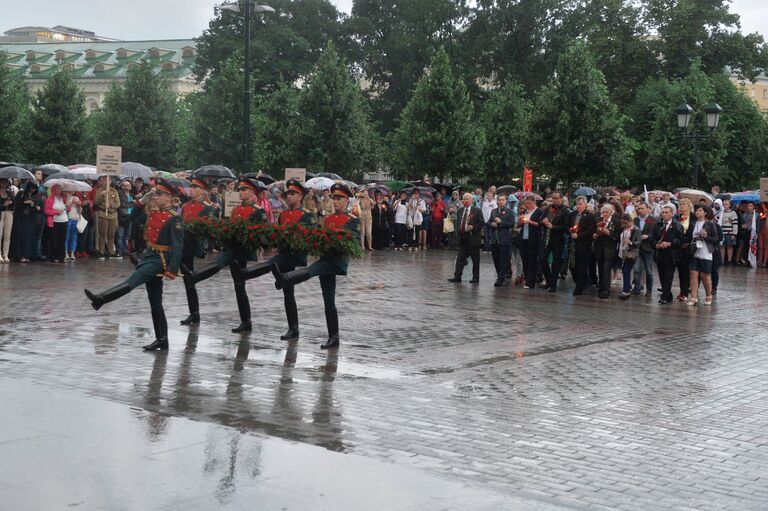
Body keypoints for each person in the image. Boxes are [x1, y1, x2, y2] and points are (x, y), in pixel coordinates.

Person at [84, 179, 184, 351]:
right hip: (149, 255)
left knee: (133, 280)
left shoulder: (174, 219)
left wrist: (172, 269)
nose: (155, 197)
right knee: (155, 302)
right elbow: (133, 218)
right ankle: (162, 339)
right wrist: (141, 202)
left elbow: (178, 245)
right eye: (155, 194)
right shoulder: (153, 212)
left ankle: (102, 299)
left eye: (159, 194)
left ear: (168, 197)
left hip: (160, 260)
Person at [271, 183, 360, 350]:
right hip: (326, 258)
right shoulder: (328, 219)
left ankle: (285, 279)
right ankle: (334, 337)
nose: (336, 202)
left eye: (339, 198)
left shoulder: (353, 220)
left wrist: (335, 243)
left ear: (347, 200)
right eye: (334, 198)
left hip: (337, 262)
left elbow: (353, 241)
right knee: (328, 300)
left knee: (312, 270)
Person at [182, 177, 267, 333]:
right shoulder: (236, 210)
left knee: (227, 271)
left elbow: (261, 234)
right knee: (239, 285)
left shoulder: (257, 211)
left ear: (251, 192)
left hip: (242, 250)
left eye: (243, 190)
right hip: (232, 247)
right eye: (239, 190)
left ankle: (196, 276)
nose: (240, 192)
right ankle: (246, 321)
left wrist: (248, 236)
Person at [236, 179, 315, 340]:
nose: (289, 197)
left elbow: (310, 237)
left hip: (295, 255)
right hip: (284, 253)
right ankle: (293, 328)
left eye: (293, 194)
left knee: (271, 264)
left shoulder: (307, 215)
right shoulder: (284, 213)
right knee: (288, 292)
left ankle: (245, 274)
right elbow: (278, 232)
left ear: (300, 196)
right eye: (288, 194)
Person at [177, 177, 216, 326]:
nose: (191, 190)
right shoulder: (185, 206)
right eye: (191, 187)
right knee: (188, 280)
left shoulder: (207, 208)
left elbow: (210, 229)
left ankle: (194, 313)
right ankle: (194, 313)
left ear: (201, 191)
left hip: (192, 246)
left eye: (194, 188)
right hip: (182, 244)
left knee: (189, 279)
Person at [448, 193, 483, 284]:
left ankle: (475, 277)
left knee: (475, 259)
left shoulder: (477, 210)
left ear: (471, 200)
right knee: (460, 258)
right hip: (463, 238)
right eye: (464, 199)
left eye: (467, 199)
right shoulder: (460, 210)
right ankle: (457, 276)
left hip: (473, 237)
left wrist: (473, 227)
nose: (465, 201)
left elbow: (481, 223)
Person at [686, 205, 718, 306]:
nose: (698, 212)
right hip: (694, 251)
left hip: (705, 252)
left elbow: (715, 239)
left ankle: (708, 295)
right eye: (696, 210)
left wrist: (706, 236)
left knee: (705, 275)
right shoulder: (693, 223)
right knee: (693, 274)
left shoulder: (710, 224)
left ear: (705, 212)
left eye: (700, 210)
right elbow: (688, 236)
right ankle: (694, 297)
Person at [653, 206, 684, 304]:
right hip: (660, 254)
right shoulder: (657, 224)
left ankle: (665, 296)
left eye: (666, 212)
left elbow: (680, 240)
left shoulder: (677, 225)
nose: (664, 214)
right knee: (661, 275)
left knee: (668, 276)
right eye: (663, 212)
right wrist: (655, 244)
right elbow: (652, 237)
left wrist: (670, 243)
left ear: (672, 214)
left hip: (671, 254)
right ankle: (668, 294)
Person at [541, 191, 570, 292]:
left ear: (561, 199)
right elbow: (541, 219)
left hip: (558, 239)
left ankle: (553, 284)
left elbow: (566, 227)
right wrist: (543, 221)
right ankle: (549, 280)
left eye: (556, 198)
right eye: (553, 198)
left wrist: (553, 227)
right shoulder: (548, 208)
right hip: (547, 238)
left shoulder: (565, 211)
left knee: (556, 262)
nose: (554, 200)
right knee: (542, 259)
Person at [569, 196, 597, 296]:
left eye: (580, 204)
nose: (578, 206)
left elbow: (591, 231)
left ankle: (579, 287)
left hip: (584, 244)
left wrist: (579, 235)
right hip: (573, 244)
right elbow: (569, 225)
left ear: (585, 204)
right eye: (577, 204)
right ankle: (582, 281)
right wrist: (571, 231)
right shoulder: (573, 214)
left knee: (582, 266)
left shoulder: (589, 216)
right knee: (573, 266)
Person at [592, 204, 621, 299]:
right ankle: (601, 286)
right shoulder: (598, 221)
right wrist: (595, 235)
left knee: (606, 269)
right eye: (603, 212)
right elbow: (594, 231)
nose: (604, 214)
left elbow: (617, 236)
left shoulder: (616, 222)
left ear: (611, 212)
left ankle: (606, 290)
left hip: (609, 249)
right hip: (599, 248)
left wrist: (609, 233)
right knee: (600, 268)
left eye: (606, 212)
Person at [488, 194, 514, 286]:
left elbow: (511, 224)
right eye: (499, 200)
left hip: (504, 239)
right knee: (496, 259)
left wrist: (501, 222)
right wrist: (492, 224)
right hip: (494, 239)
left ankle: (500, 278)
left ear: (506, 201)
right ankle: (500, 275)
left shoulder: (509, 212)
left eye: (503, 200)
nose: (501, 201)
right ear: (497, 201)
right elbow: (488, 221)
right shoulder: (494, 211)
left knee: (503, 260)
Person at [631, 202, 656, 296]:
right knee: (637, 269)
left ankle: (649, 289)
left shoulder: (652, 219)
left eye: (642, 208)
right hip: (637, 247)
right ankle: (637, 287)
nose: (639, 210)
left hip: (648, 248)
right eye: (638, 208)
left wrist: (648, 236)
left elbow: (655, 233)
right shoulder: (635, 220)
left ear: (647, 209)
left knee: (649, 270)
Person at [519, 197, 543, 289]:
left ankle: (531, 281)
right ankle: (527, 279)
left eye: (529, 203)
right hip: (524, 238)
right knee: (524, 259)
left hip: (533, 239)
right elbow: (520, 224)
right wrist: (521, 221)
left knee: (531, 260)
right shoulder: (525, 212)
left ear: (534, 202)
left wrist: (529, 221)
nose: (527, 206)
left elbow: (540, 224)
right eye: (526, 204)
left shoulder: (538, 212)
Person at [618, 213, 642, 300]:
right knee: (624, 271)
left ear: (630, 221)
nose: (625, 225)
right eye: (623, 223)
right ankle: (628, 287)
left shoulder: (636, 229)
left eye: (626, 223)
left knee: (626, 270)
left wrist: (631, 242)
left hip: (631, 254)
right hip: (622, 252)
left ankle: (626, 291)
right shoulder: (622, 228)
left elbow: (639, 241)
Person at [94, 179, 120, 259]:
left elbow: (118, 203)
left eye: (108, 180)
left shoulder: (114, 191)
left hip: (113, 214)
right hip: (103, 214)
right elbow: (96, 202)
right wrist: (101, 195)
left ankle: (111, 251)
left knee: (111, 234)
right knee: (102, 234)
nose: (106, 182)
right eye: (104, 180)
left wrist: (111, 205)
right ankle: (101, 251)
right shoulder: (100, 191)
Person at [44, 185, 68, 263]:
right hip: (54, 222)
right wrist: (56, 212)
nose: (59, 190)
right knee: (54, 240)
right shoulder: (50, 200)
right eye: (58, 188)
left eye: (60, 188)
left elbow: (68, 209)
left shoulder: (64, 199)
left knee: (62, 239)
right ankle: (53, 256)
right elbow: (47, 211)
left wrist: (68, 205)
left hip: (64, 221)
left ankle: (61, 256)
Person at [674, 198, 693, 300]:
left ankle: (689, 290)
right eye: (680, 204)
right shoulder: (676, 217)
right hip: (678, 247)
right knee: (681, 271)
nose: (681, 206)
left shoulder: (693, 218)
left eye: (684, 204)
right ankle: (683, 291)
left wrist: (687, 241)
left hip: (689, 247)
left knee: (689, 271)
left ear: (689, 206)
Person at [0, 178, 16, 263]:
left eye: (6, 182)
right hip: (1, 214)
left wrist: (12, 207)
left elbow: (14, 204)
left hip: (9, 213)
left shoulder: (9, 192)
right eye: (2, 182)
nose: (4, 184)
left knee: (7, 235)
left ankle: (5, 254)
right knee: (0, 235)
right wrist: (3, 205)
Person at [117, 179, 134, 256]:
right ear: (123, 187)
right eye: (127, 185)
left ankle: (125, 249)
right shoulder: (120, 194)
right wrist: (133, 202)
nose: (129, 186)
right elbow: (124, 204)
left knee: (127, 235)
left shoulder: (130, 195)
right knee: (120, 234)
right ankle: (119, 250)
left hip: (129, 216)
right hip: (122, 216)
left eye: (129, 184)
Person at [719, 199, 738, 265]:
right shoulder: (721, 212)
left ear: (730, 205)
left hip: (729, 232)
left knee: (729, 246)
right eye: (724, 204)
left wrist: (734, 233)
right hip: (722, 232)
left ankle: (729, 260)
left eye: (726, 204)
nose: (725, 205)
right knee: (722, 246)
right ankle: (722, 260)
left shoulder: (733, 213)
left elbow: (735, 223)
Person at [64, 192, 82, 261]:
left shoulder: (76, 198)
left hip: (75, 218)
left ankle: (72, 253)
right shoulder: (65, 198)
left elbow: (80, 209)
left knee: (74, 236)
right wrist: (71, 202)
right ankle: (65, 253)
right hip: (68, 219)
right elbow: (67, 208)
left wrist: (78, 204)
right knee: (66, 236)